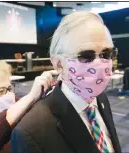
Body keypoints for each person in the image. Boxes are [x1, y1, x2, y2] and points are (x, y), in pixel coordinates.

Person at [11, 12, 121, 153]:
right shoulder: (30, 133)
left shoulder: (101, 98)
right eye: (86, 56)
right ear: (59, 65)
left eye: (106, 54)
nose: (100, 64)